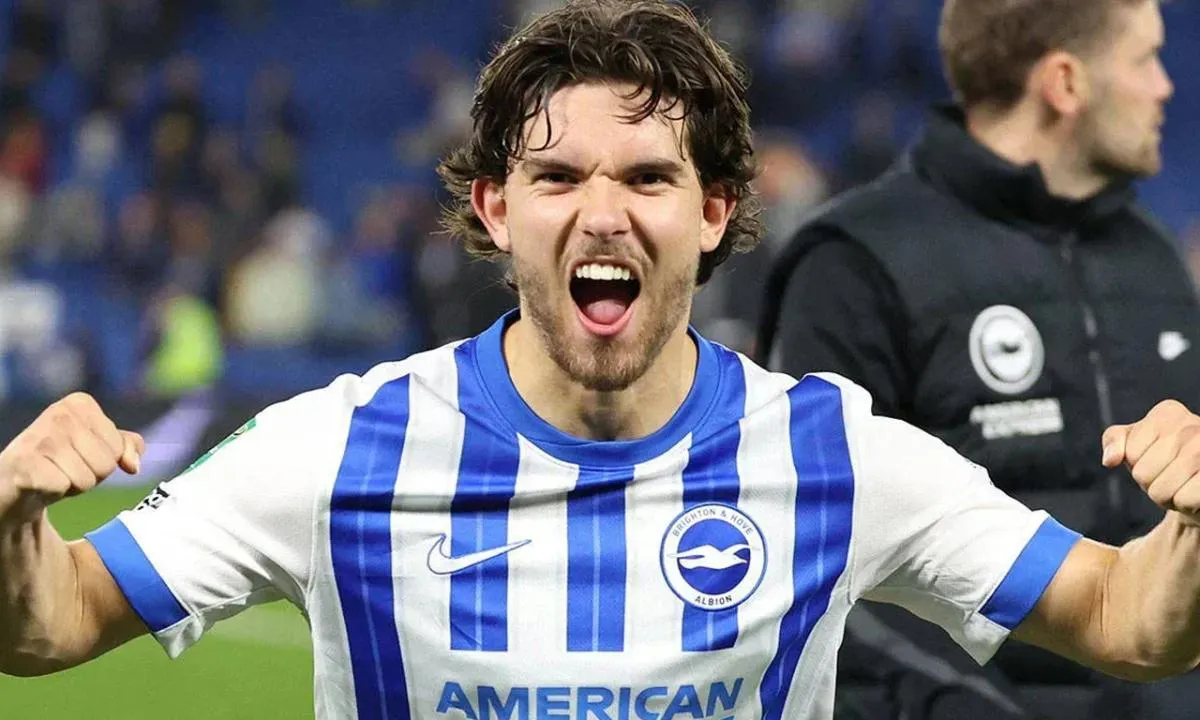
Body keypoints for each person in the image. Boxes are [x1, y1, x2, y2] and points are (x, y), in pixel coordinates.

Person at [4, 3, 1200, 720]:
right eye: (558, 176)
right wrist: (13, 525)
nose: (603, 213)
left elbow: (1129, 619)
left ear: (716, 213)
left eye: (648, 177)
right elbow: (50, 624)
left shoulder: (834, 455)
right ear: (495, 208)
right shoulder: (337, 447)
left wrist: (1192, 526)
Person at [755, 0, 1198, 715]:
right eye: (1145, 58)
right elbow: (811, 556)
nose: (1164, 86)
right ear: (1064, 83)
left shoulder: (1153, 259)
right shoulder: (854, 263)